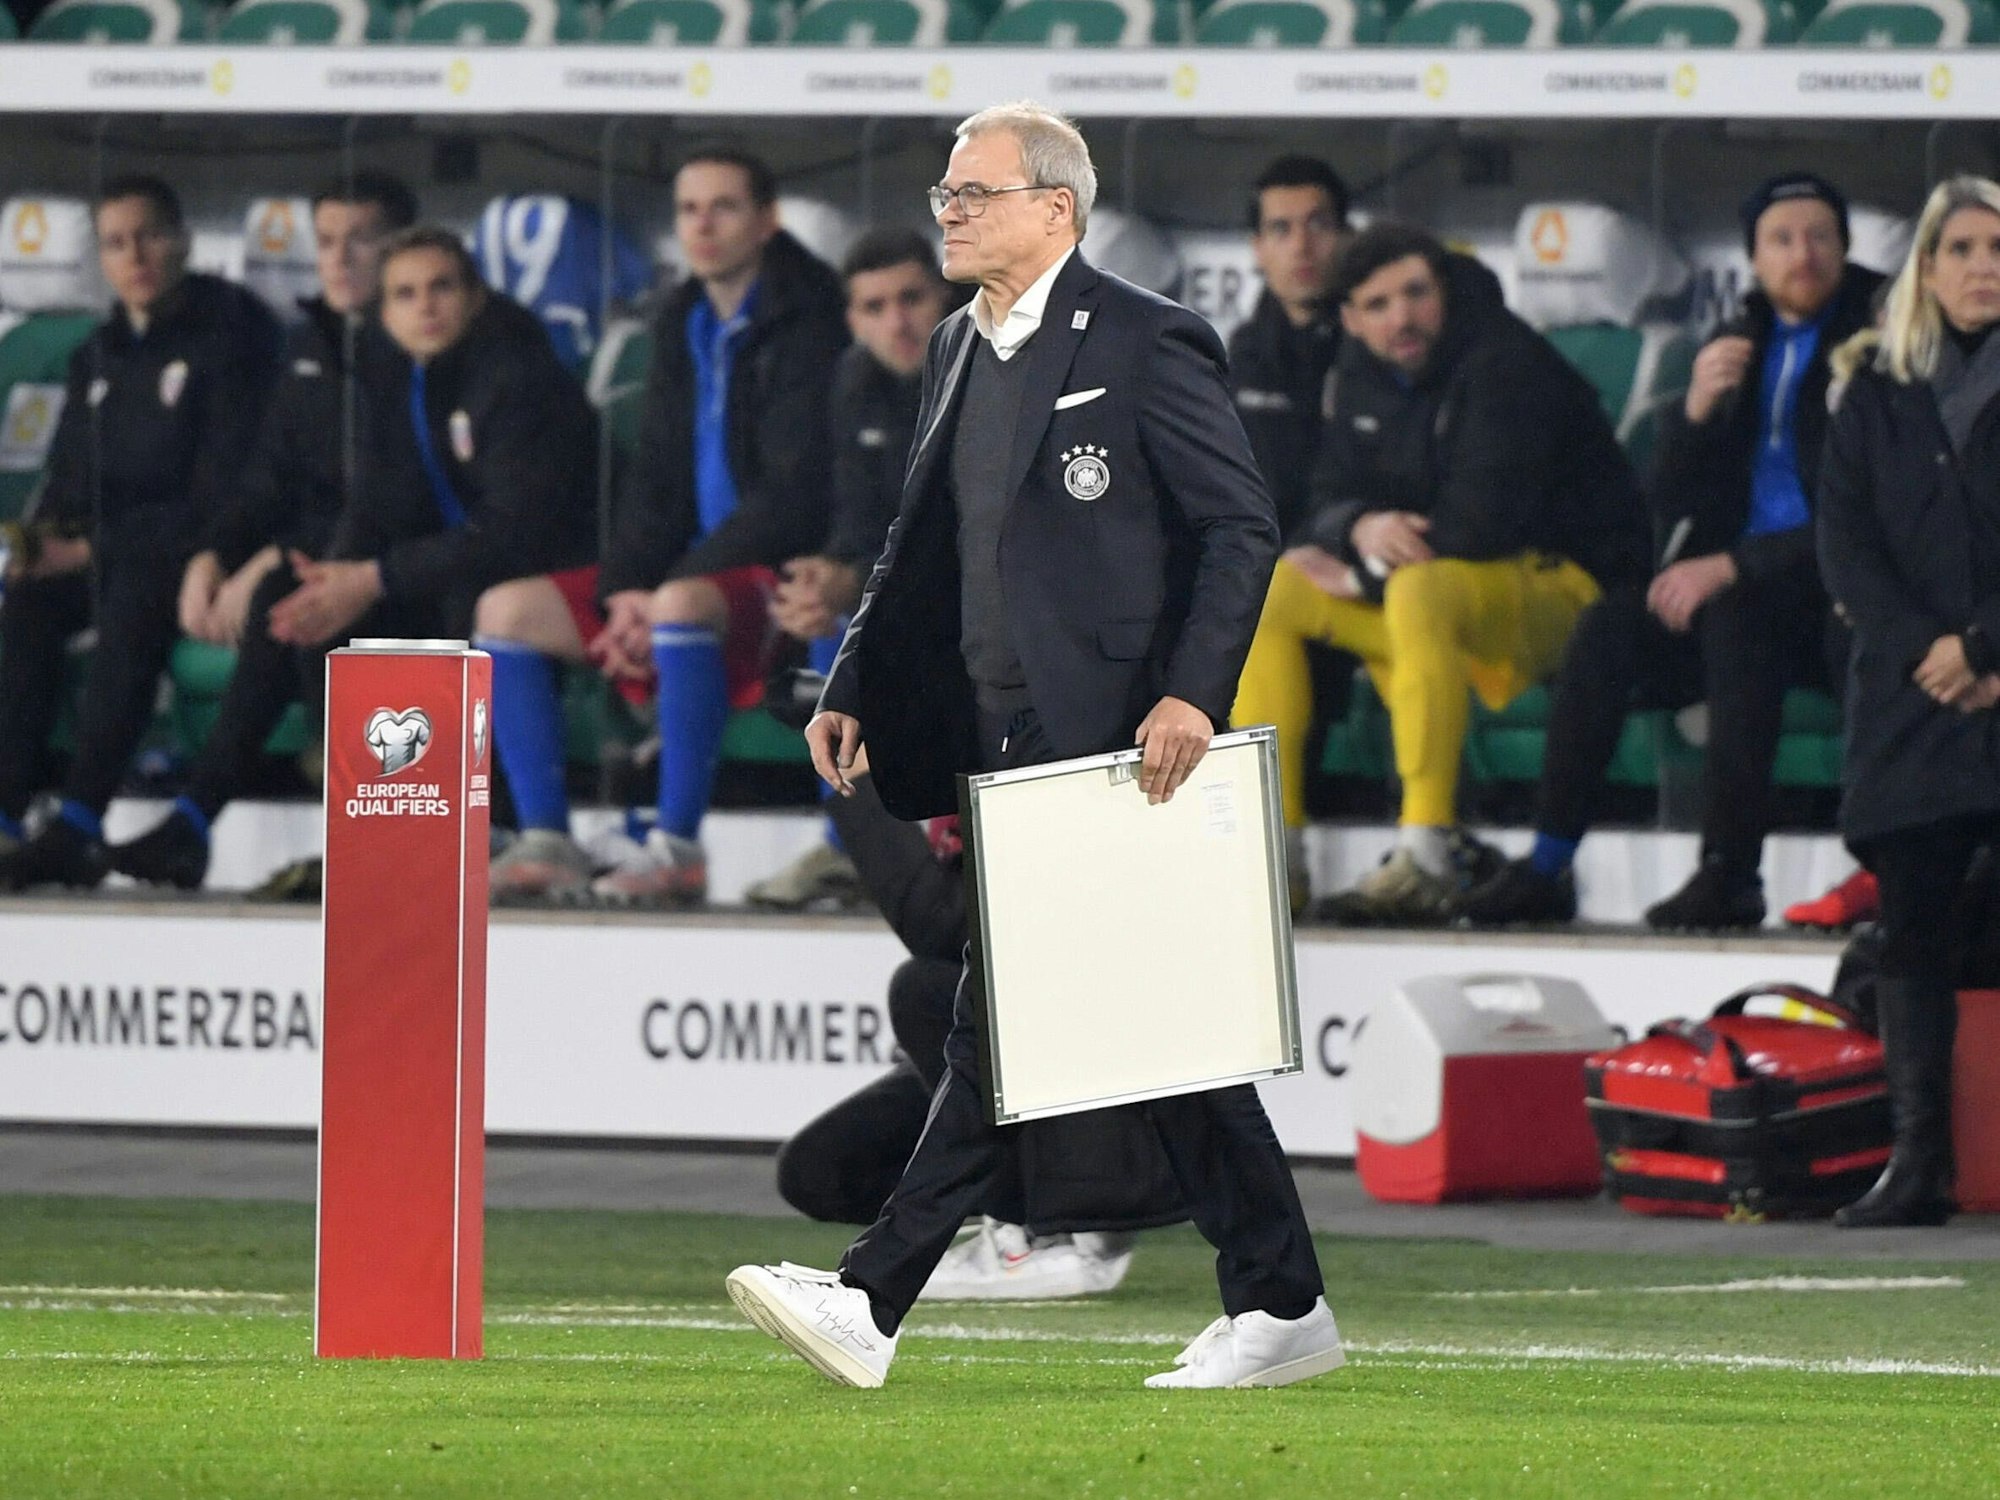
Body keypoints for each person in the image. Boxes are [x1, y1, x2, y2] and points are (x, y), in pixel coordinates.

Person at [725, 101, 1341, 1392]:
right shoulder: (957, 341)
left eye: (974, 193)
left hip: (1120, 744)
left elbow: (1241, 530)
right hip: (998, 735)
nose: (948, 211)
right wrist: (852, 679)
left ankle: (868, 1299)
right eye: (948, 193)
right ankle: (1281, 1303)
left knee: (992, 1031)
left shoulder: (1147, 336)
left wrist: (1190, 697)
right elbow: (919, 542)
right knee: (1165, 1040)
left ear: (1055, 209)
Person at [1463, 172, 1881, 931]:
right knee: (1605, 631)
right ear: (1754, 258)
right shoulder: (1738, 339)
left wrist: (1735, 567)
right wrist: (1693, 412)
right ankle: (1549, 865)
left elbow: (1870, 512)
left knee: (1736, 616)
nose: (1804, 254)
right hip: (1732, 581)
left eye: (1821, 236)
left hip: (1831, 588)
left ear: (1847, 249)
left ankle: (1730, 872)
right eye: (1783, 239)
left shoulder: (1877, 348)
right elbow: (1671, 499)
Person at [1233, 223, 1649, 925]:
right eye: (1379, 303)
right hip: (1436, 596)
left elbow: (1478, 527)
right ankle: (1276, 855)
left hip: (1567, 590)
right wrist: (1357, 526)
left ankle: (1426, 853)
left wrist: (1362, 577)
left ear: (1445, 290)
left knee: (1417, 587)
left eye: (1417, 293)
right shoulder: (1359, 372)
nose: (1402, 316)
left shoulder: (1506, 361)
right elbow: (1323, 495)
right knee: (1272, 593)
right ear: (1351, 319)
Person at [474, 150, 847, 906]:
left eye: (724, 208)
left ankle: (678, 847)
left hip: (771, 570)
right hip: (689, 573)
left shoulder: (812, 320)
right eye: (688, 210)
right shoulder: (683, 317)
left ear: (767, 220)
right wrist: (623, 592)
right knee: (503, 611)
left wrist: (669, 588)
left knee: (677, 608)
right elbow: (655, 480)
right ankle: (547, 838)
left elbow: (793, 496)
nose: (702, 226)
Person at [771, 716, 1182, 1299]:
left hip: (1112, 1060)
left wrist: (858, 785)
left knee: (929, 992)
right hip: (1040, 1033)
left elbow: (955, 937)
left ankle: (1051, 1233)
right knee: (823, 1172)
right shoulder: (980, 726)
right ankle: (1005, 1209)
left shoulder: (1063, 729)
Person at [108, 173, 419, 890]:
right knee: (188, 585)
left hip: (407, 564)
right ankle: (132, 820)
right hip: (326, 556)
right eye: (328, 242)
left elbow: (387, 497)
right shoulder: (312, 343)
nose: (339, 260)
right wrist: (213, 554)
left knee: (292, 590)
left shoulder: (419, 353)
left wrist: (273, 557)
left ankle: (236, 822)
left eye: (361, 242)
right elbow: (267, 478)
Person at [0, 174, 282, 890]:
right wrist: (36, 546)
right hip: (111, 548)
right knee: (29, 604)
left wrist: (95, 548)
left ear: (183, 239)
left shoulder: (233, 331)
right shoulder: (98, 353)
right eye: (118, 243)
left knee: (132, 596)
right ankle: (8, 814)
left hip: (200, 549)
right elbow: (69, 481)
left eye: (151, 235)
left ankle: (81, 823)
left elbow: (223, 489)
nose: (137, 256)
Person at [1817, 175, 2000, 1228]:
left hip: (1974, 672)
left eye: (1997, 247)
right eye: (1963, 247)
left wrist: (1980, 645)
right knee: (1911, 937)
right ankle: (1916, 1163)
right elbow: (1845, 550)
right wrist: (1934, 651)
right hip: (1906, 698)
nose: (1984, 265)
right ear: (1925, 268)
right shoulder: (1869, 389)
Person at [744, 229, 952, 912]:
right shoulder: (853, 380)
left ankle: (930, 839)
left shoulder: (986, 366)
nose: (897, 321)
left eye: (912, 298)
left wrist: (857, 578)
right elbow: (859, 519)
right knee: (825, 615)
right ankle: (848, 845)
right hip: (904, 585)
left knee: (862, 609)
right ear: (852, 319)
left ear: (946, 292)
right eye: (875, 307)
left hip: (995, 590)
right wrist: (830, 577)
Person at [1229, 155, 1351, 541]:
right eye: (1281, 229)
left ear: (1347, 236)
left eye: (1318, 224)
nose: (1301, 246)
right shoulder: (1244, 352)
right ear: (1258, 248)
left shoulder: (1378, 348)